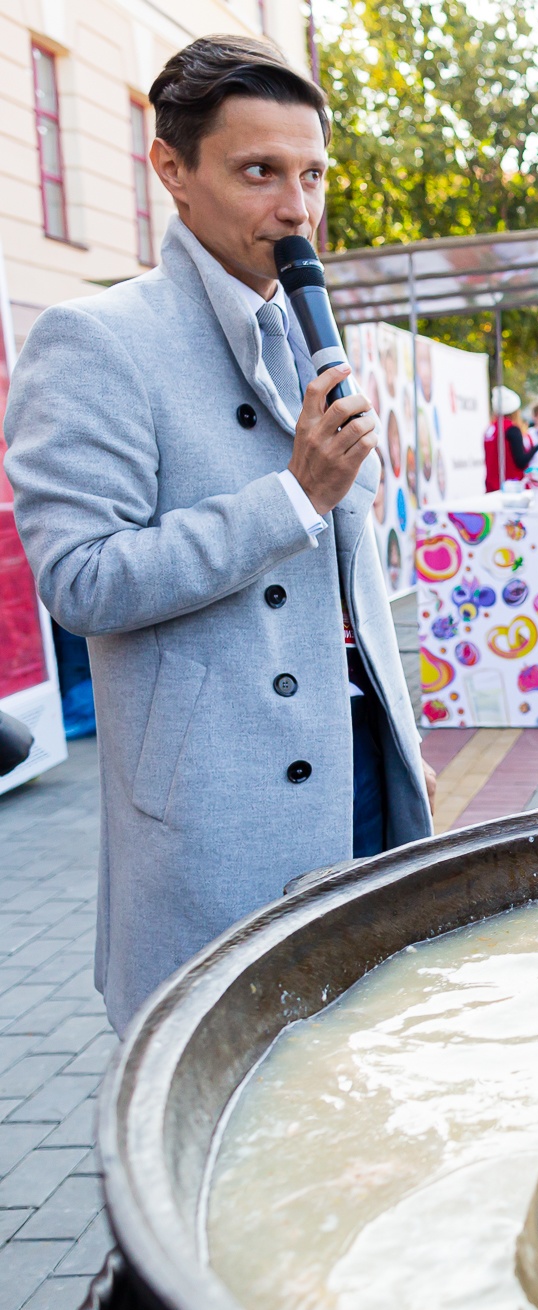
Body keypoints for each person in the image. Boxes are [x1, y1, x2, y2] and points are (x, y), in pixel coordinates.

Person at [2, 35, 433, 1031]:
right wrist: (290, 498)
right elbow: (79, 580)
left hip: (359, 761)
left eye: (311, 174)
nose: (297, 209)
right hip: (221, 811)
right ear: (172, 172)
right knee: (233, 1097)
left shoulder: (309, 327)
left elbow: (347, 572)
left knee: (358, 1060)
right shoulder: (98, 342)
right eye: (259, 173)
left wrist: (398, 726)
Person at [483, 386, 532, 491]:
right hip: (510, 488)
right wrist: (536, 448)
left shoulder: (490, 428)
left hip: (491, 486)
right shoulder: (511, 429)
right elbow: (520, 462)